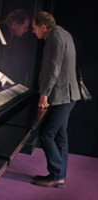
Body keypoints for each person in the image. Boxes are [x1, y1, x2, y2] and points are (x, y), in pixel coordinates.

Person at [31, 11, 81, 188]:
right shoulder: (64, 33)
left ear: (44, 27)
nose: (33, 31)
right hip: (67, 95)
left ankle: (57, 175)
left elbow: (53, 69)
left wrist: (43, 94)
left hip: (61, 96)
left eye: (34, 28)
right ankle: (58, 175)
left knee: (47, 134)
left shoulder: (54, 37)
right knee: (60, 135)